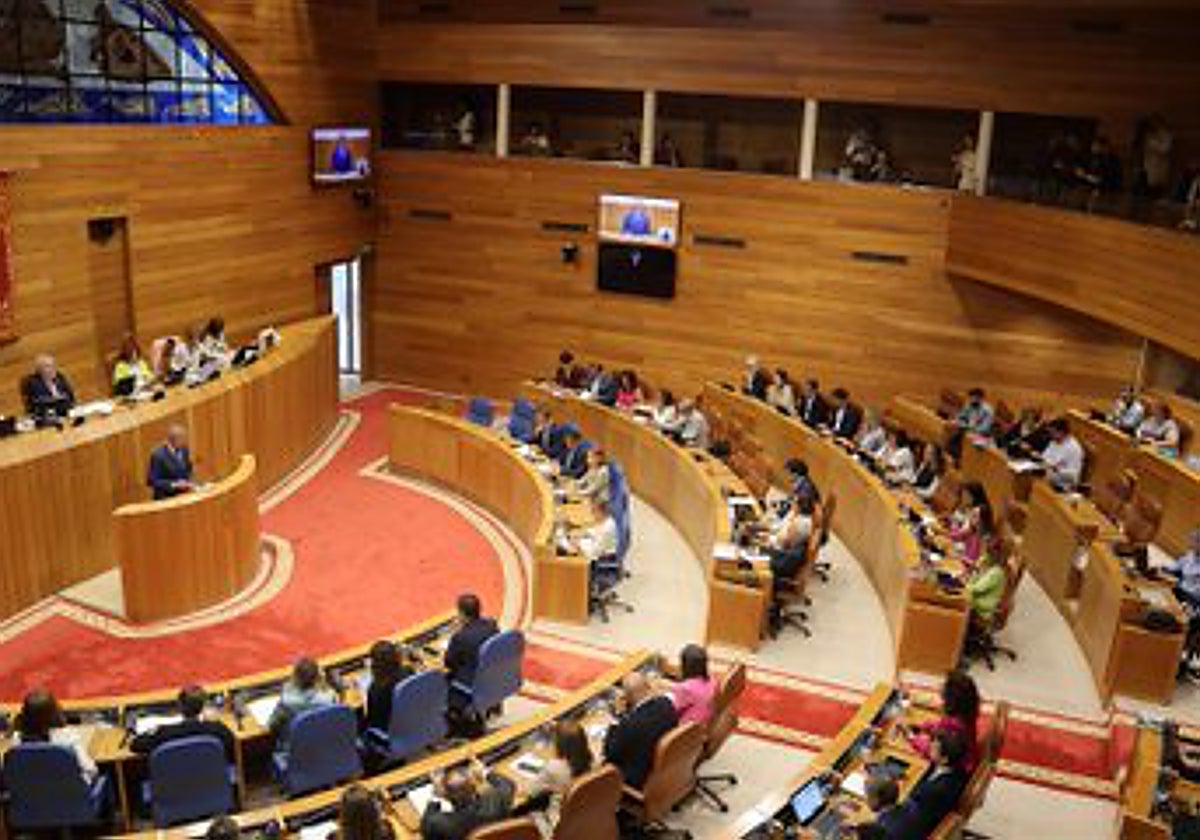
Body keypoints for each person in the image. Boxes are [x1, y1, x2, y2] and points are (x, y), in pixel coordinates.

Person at [603, 672, 679, 789]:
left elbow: (609, 753)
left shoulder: (630, 725)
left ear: (627, 697)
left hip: (640, 778)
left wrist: (616, 720)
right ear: (648, 687)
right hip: (667, 766)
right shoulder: (667, 703)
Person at [522, 720, 593, 837]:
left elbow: (529, 792)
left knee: (526, 811)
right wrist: (559, 728)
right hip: (581, 816)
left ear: (559, 744)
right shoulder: (588, 758)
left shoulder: (554, 767)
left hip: (557, 826)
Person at [896, 729, 971, 837]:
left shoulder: (934, 791)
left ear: (944, 759)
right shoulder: (956, 768)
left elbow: (910, 806)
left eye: (934, 748)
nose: (929, 747)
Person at [14, 688, 98, 784]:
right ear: (55, 712)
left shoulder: (17, 740)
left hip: (30, 795)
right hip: (69, 794)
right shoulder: (68, 737)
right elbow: (91, 769)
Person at [130, 685, 235, 760]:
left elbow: (135, 745)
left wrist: (149, 731)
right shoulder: (216, 728)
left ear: (179, 706)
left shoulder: (163, 732)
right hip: (212, 781)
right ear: (203, 706)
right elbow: (230, 740)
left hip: (171, 786)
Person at [904, 670, 980, 773]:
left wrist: (912, 738)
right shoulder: (965, 710)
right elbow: (940, 728)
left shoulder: (953, 725)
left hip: (956, 767)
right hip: (962, 757)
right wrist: (925, 726)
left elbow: (932, 751)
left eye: (944, 686)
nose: (940, 687)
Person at [420, 760, 515, 840]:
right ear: (475, 787)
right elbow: (508, 784)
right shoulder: (498, 798)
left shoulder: (440, 823)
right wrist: (484, 771)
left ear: (446, 795)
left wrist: (435, 796)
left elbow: (426, 829)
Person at [268, 656, 337, 748]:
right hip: (323, 749)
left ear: (295, 678)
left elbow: (271, 725)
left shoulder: (286, 702)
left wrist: (288, 688)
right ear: (318, 678)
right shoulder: (329, 698)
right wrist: (323, 684)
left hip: (294, 756)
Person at [445, 594, 499, 689]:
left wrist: (458, 632)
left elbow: (449, 663)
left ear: (462, 614)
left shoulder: (460, 637)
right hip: (492, 677)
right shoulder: (492, 625)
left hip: (470, 684)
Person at [362, 639, 414, 734]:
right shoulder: (409, 671)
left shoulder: (376, 689)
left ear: (375, 665)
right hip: (411, 723)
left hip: (389, 732)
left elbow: (373, 721)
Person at [943, 481, 994, 566]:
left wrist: (944, 533)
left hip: (963, 562)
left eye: (967, 496)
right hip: (959, 553)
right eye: (964, 495)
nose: (965, 498)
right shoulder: (973, 528)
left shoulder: (979, 538)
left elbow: (970, 560)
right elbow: (960, 535)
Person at [669, 644, 718, 725]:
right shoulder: (713, 681)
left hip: (685, 729)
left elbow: (672, 710)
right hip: (704, 722)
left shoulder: (684, 688)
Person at [147, 423, 196, 500]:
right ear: (174, 440)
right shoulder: (158, 455)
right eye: (182, 439)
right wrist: (174, 484)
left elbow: (188, 470)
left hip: (183, 496)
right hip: (166, 498)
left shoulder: (184, 450)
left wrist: (191, 483)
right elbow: (152, 481)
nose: (184, 441)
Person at [22, 353, 76, 418]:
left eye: (54, 365)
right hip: (46, 418)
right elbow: (35, 404)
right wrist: (57, 400)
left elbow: (70, 396)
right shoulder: (32, 383)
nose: (53, 368)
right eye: (48, 366)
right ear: (39, 369)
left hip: (67, 414)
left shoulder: (60, 377)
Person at [1042, 418, 1086, 492]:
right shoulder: (1054, 441)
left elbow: (1074, 475)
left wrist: (1057, 470)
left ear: (1061, 432)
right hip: (1047, 477)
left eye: (1053, 433)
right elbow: (1045, 457)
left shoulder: (1074, 448)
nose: (1050, 436)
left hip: (1063, 486)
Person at [574, 496, 619, 562]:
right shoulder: (607, 521)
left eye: (593, 511)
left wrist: (579, 544)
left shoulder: (608, 527)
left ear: (600, 511)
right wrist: (585, 533)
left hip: (602, 561)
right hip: (601, 555)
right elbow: (596, 532)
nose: (592, 514)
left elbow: (595, 551)